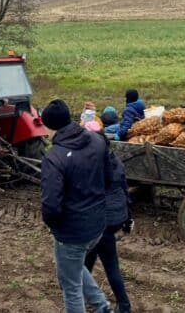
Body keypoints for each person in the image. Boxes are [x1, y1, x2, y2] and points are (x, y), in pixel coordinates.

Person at [40, 99, 113, 313]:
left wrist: (55, 227)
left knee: (70, 285)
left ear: (49, 126)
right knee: (73, 266)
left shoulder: (54, 158)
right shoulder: (97, 141)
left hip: (72, 232)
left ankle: (100, 305)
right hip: (98, 224)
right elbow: (108, 179)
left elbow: (51, 206)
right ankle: (101, 306)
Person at [83, 122, 133, 313]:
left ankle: (125, 305)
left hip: (100, 220)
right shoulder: (115, 161)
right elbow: (124, 191)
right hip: (115, 218)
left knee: (109, 264)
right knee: (90, 256)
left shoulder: (90, 165)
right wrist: (128, 218)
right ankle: (83, 291)